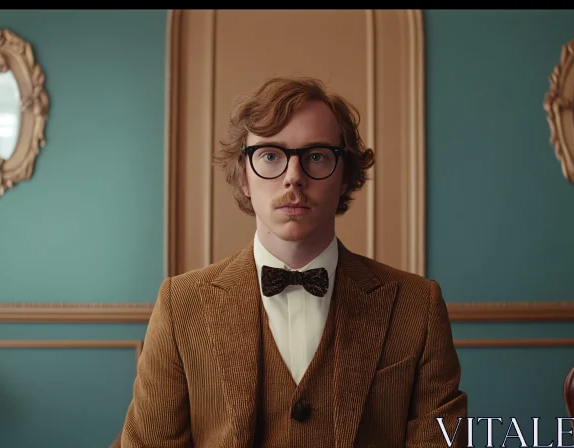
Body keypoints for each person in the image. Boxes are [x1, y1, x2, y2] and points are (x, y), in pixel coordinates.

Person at [115, 76, 467, 447]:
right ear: (244, 176)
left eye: (316, 156)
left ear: (345, 176)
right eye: (270, 156)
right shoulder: (180, 302)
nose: (294, 178)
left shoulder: (417, 304)